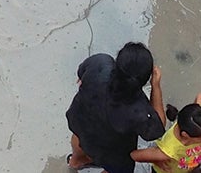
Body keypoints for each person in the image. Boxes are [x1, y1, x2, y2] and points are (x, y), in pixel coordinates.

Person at [65, 42, 166, 173]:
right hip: (110, 149)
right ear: (145, 79)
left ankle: (76, 161)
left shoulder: (100, 63)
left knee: (79, 137)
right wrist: (156, 86)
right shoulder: (139, 111)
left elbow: (81, 73)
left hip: (80, 122)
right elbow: (158, 128)